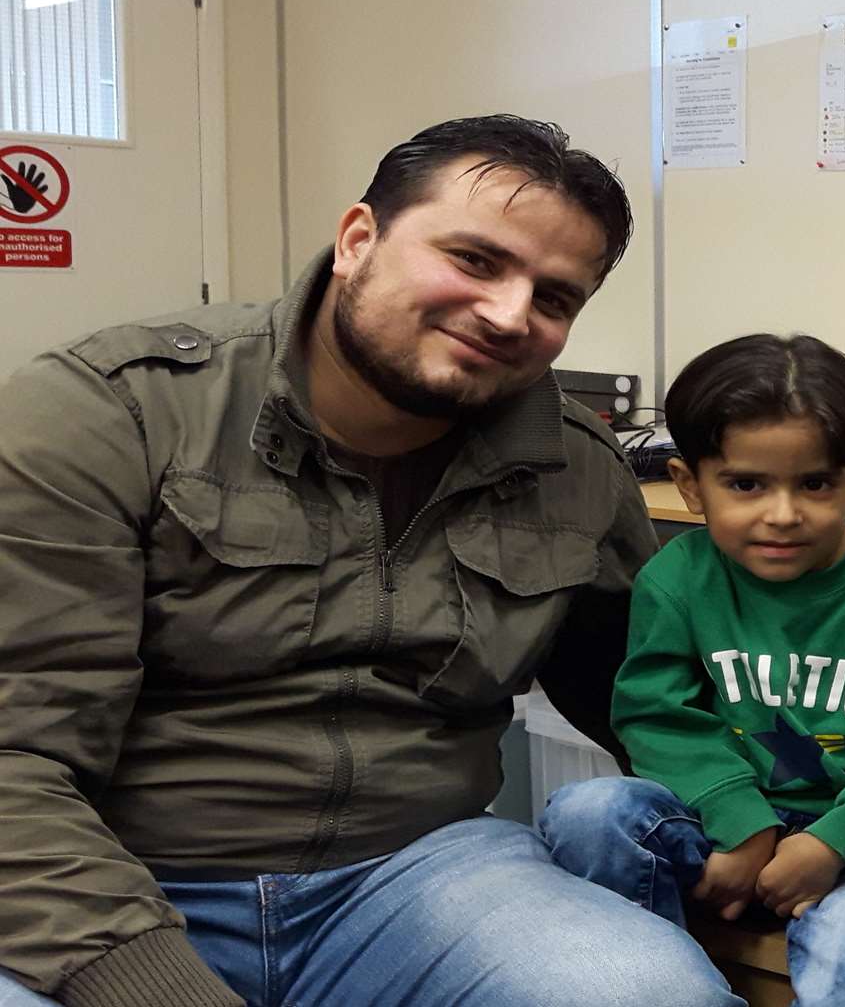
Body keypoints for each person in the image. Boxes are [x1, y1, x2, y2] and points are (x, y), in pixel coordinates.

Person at [0, 116, 742, 1007]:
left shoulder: (575, 465)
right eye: (475, 260)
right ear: (359, 240)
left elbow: (647, 698)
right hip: (112, 877)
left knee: (648, 995)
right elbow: (13, 761)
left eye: (554, 298)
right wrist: (146, 984)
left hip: (420, 873)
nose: (510, 315)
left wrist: (839, 811)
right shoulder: (110, 412)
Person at [539, 334, 845, 1007]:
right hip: (721, 831)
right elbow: (656, 714)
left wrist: (831, 845)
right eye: (745, 484)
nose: (782, 515)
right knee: (586, 812)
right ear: (691, 487)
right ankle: (649, 983)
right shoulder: (676, 579)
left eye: (814, 483)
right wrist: (744, 825)